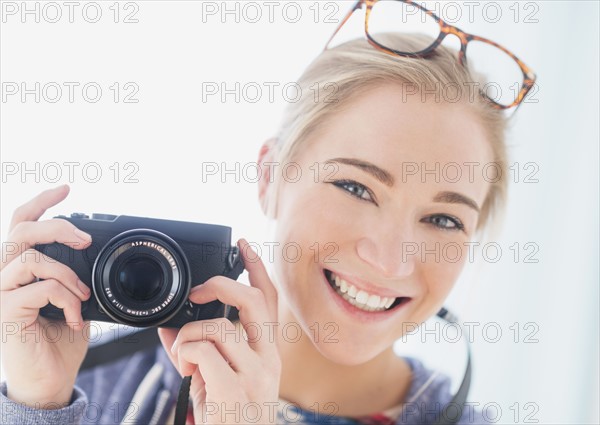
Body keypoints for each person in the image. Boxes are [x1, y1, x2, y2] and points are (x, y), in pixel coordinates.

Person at [1, 3, 536, 423]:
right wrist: (36, 405)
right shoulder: (93, 387)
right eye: (356, 186)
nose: (392, 260)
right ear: (270, 176)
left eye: (444, 220)